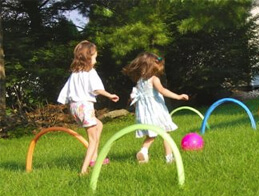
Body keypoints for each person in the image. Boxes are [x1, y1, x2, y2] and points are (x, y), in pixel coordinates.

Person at [57, 40, 119, 175]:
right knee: (92, 140)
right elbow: (96, 89)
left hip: (74, 108)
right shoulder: (90, 72)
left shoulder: (75, 73)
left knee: (99, 125)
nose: (96, 60)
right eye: (95, 57)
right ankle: (84, 169)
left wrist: (62, 102)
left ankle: (95, 158)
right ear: (88, 57)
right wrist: (110, 95)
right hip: (85, 106)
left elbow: (65, 91)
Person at [122, 52, 189, 163]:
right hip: (156, 111)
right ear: (150, 67)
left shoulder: (139, 82)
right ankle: (169, 158)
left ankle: (143, 151)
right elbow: (162, 91)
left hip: (145, 114)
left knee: (151, 135)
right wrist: (178, 96)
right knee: (166, 133)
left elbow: (136, 98)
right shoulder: (154, 79)